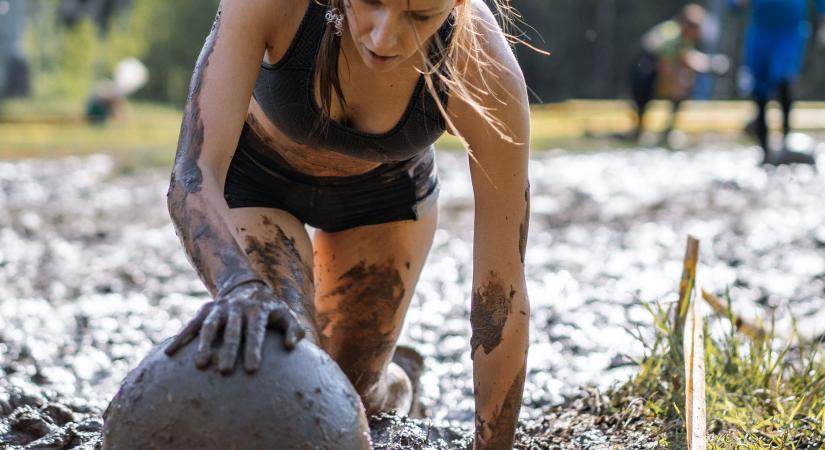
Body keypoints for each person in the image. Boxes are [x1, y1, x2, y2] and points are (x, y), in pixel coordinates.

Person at [162, 0, 531, 448]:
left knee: (353, 395)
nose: (383, 38)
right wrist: (238, 285)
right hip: (257, 181)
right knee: (287, 362)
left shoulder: (485, 67)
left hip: (384, 195)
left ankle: (400, 380)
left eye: (420, 16)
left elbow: (501, 295)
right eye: (371, 1)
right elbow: (193, 172)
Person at [732, 0, 825, 165]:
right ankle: (765, 152)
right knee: (758, 92)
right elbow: (735, 6)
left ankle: (786, 140)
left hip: (789, 30)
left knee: (782, 79)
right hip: (760, 31)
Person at [627, 4, 728, 144]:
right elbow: (668, 64)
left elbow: (688, 58)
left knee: (680, 88)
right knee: (674, 90)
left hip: (648, 70)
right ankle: (642, 132)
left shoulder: (679, 34)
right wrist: (679, 81)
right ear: (688, 25)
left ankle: (660, 131)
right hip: (645, 71)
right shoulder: (672, 35)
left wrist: (710, 64)